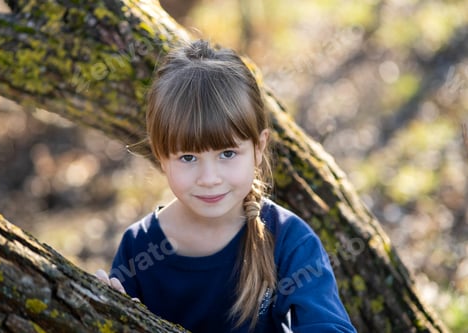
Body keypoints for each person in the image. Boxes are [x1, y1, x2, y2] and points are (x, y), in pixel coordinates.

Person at [96, 39, 356, 333]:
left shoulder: (288, 240)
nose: (209, 178)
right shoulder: (139, 248)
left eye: (227, 154)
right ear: (161, 157)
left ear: (259, 147)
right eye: (188, 157)